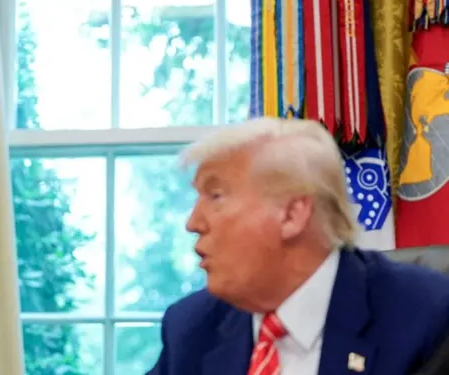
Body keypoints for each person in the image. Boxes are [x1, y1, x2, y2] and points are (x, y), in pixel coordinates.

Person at [147, 117, 449, 375]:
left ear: (292, 214)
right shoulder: (192, 328)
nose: (193, 223)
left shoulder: (425, 316)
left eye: (216, 196)